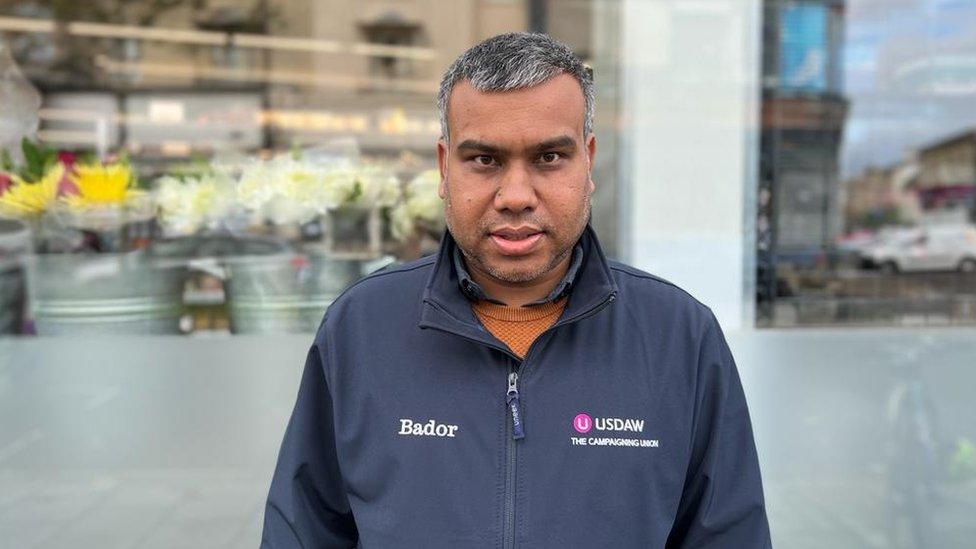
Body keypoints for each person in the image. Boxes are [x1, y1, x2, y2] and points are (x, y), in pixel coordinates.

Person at [261, 31, 772, 548]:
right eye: (484, 160)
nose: (516, 196)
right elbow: (303, 533)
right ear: (444, 167)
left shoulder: (678, 337)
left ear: (588, 162)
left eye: (549, 157)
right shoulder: (361, 328)